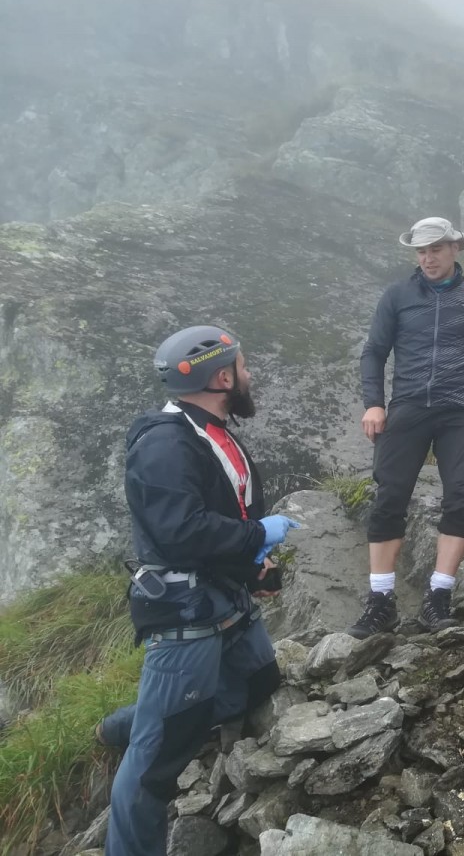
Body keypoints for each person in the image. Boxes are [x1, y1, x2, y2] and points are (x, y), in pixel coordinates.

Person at [100, 326, 299, 856]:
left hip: (222, 599)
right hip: (184, 611)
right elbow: (180, 531)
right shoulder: (166, 443)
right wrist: (259, 534)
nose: (250, 375)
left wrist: (254, 565)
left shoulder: (207, 429)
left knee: (257, 685)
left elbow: (221, 512)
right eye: (244, 365)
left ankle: (140, 718)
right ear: (223, 376)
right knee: (157, 761)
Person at [351, 217, 464, 638]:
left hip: (459, 410)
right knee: (390, 495)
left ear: (454, 249)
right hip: (406, 406)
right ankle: (380, 602)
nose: (427, 258)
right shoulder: (398, 296)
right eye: (421, 251)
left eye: (436, 250)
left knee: (461, 495)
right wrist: (373, 403)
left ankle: (438, 599)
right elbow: (373, 352)